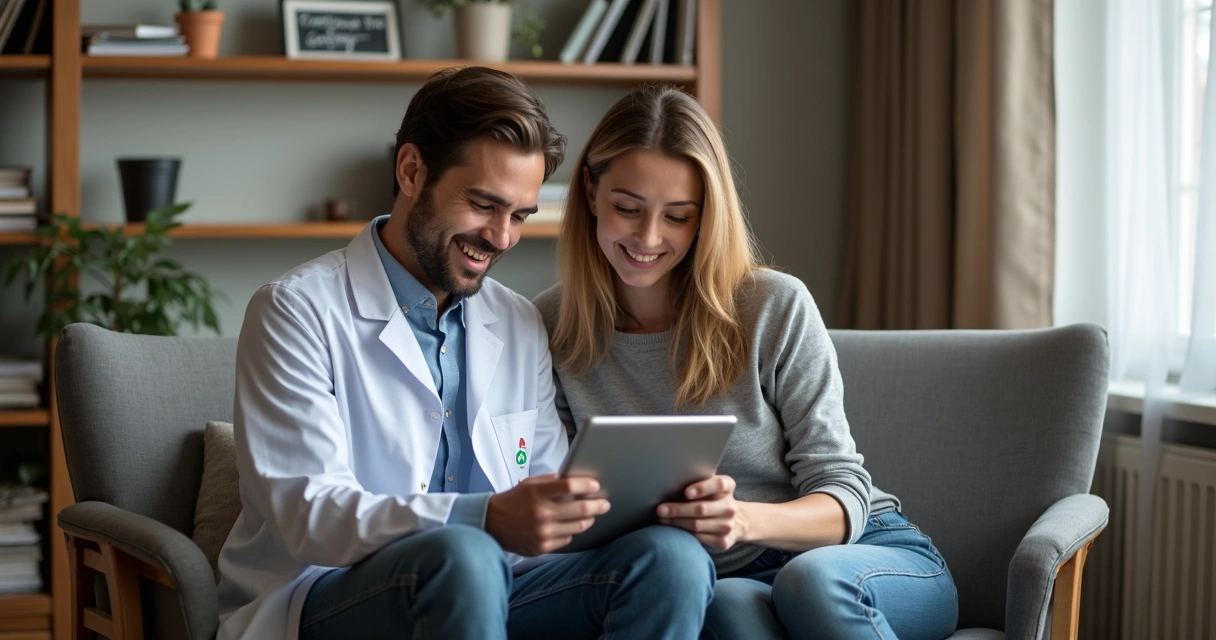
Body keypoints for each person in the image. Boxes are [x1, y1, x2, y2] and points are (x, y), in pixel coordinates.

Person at [217, 68, 715, 640]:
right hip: (325, 593)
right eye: (483, 204)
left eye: (520, 216)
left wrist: (662, 504)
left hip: (492, 587)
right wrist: (481, 518)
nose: (501, 237)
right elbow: (309, 516)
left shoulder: (519, 321)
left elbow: (547, 488)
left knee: (669, 559)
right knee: (464, 553)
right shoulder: (293, 310)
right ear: (411, 171)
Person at [533, 84, 959, 640]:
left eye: (677, 216)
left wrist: (742, 519)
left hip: (864, 556)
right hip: (730, 581)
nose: (648, 237)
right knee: (726, 610)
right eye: (627, 209)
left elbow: (843, 490)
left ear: (705, 217)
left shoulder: (771, 306)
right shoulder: (552, 326)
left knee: (810, 583)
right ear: (591, 192)